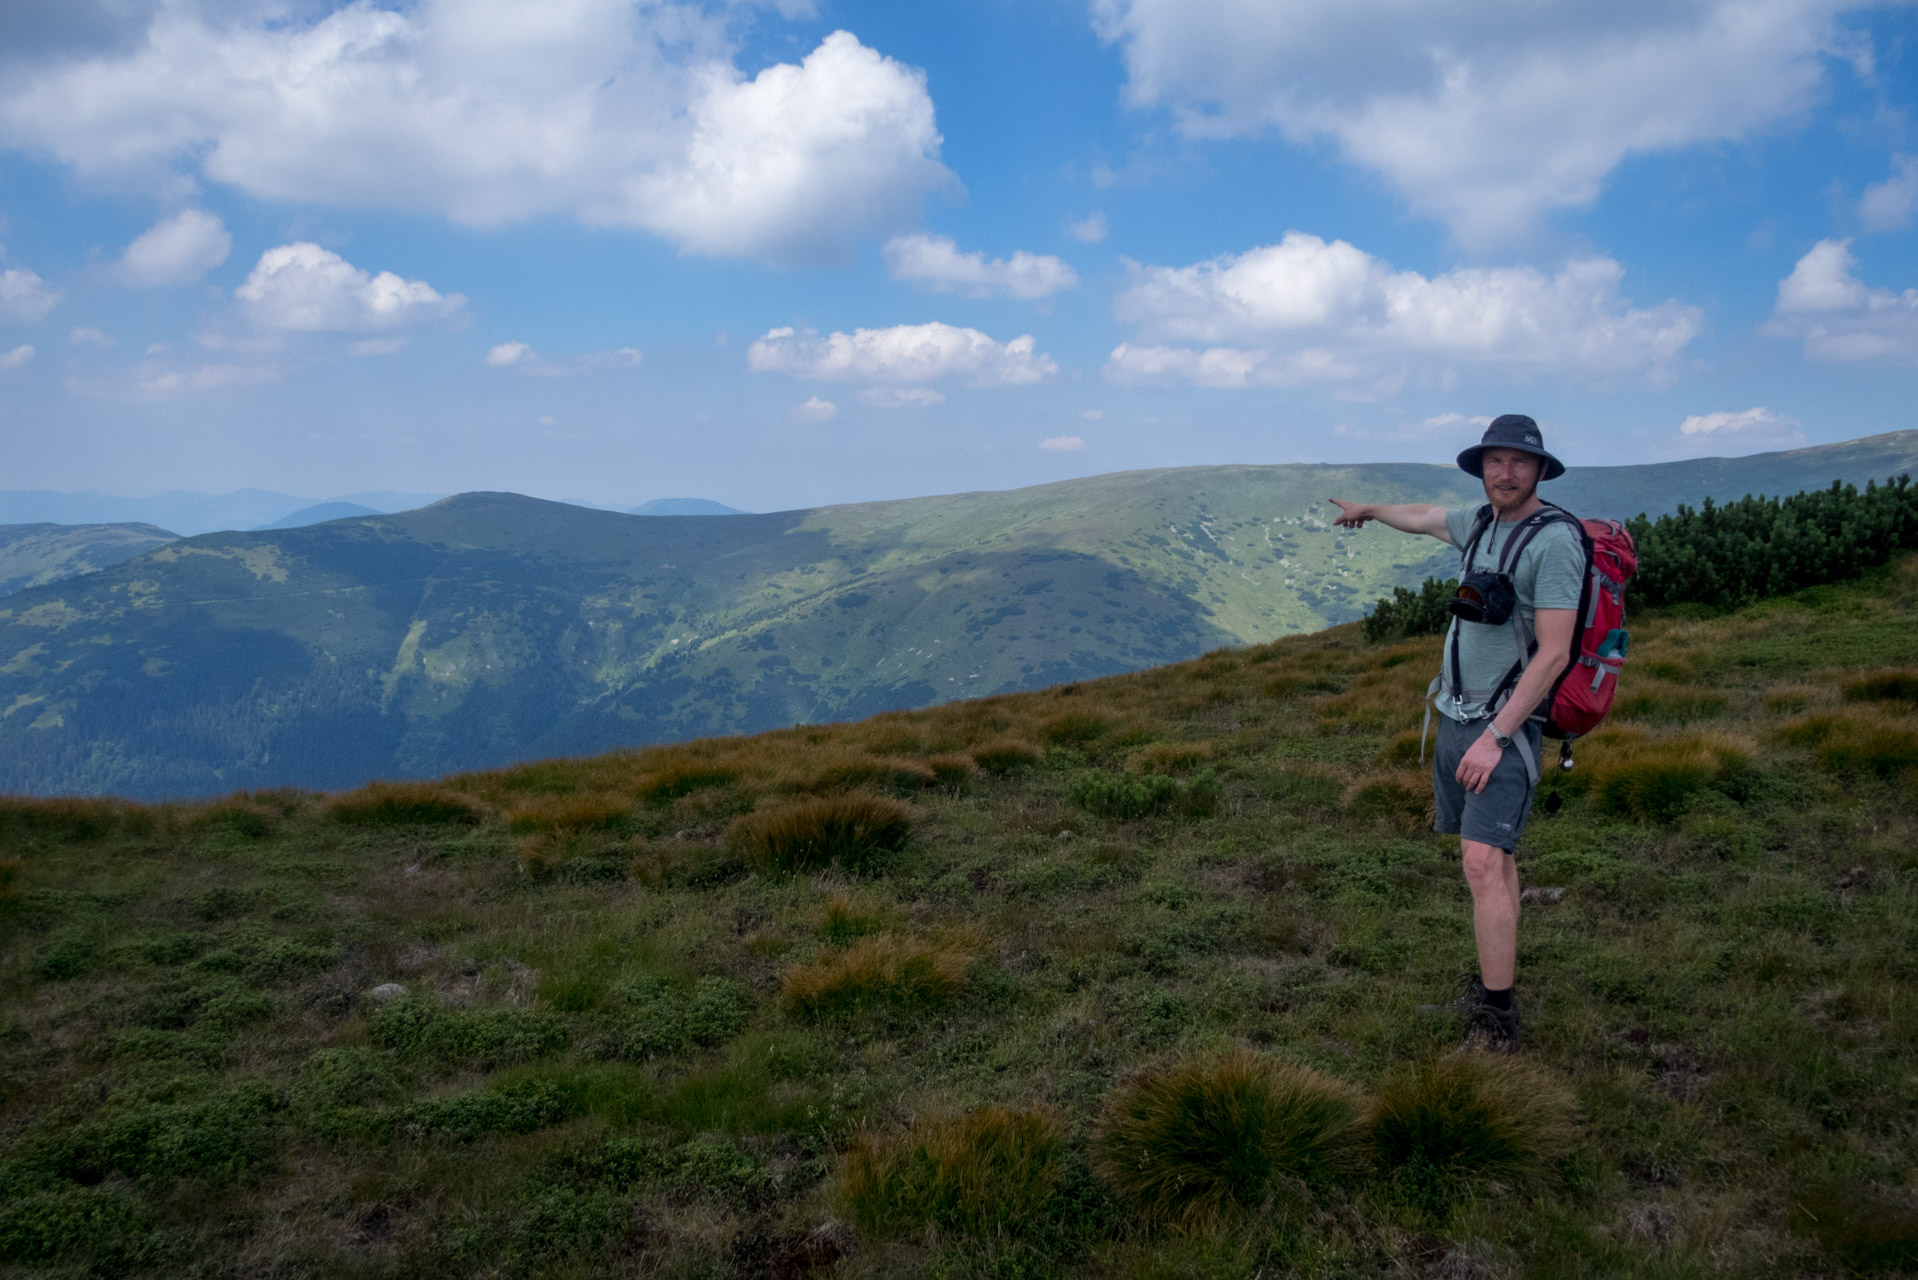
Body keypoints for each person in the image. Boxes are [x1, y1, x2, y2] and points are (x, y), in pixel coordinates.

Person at [1328, 414, 1584, 1053]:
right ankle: (1494, 986)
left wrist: (1496, 735)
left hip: (1503, 728)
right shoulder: (1480, 523)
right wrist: (1370, 508)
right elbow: (1421, 515)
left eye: (1519, 462)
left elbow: (1553, 654)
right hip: (1457, 715)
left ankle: (1497, 1020)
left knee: (1480, 862)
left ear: (1540, 470)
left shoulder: (1555, 543)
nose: (1505, 472)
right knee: (1495, 860)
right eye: (1495, 461)